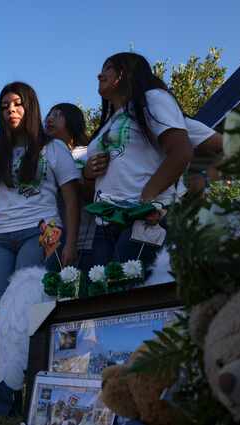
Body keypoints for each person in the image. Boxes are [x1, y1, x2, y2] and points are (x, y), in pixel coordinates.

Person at [0, 82, 81, 416]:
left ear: (30, 107)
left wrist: (71, 243)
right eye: (5, 106)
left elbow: (71, 198)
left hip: (41, 234)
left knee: (30, 314)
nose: (11, 111)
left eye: (17, 104)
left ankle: (35, 399)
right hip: (0, 239)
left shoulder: (55, 150)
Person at [80, 52, 193, 272]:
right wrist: (87, 173)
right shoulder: (108, 122)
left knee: (128, 293)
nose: (99, 75)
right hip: (105, 224)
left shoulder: (153, 99)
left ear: (124, 73)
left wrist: (147, 199)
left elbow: (181, 151)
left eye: (107, 68)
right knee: (106, 298)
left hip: (143, 217)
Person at [44, 103, 95, 269]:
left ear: (72, 120)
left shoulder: (87, 152)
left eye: (58, 115)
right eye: (49, 115)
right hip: (51, 239)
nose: (50, 119)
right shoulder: (42, 156)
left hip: (86, 238)